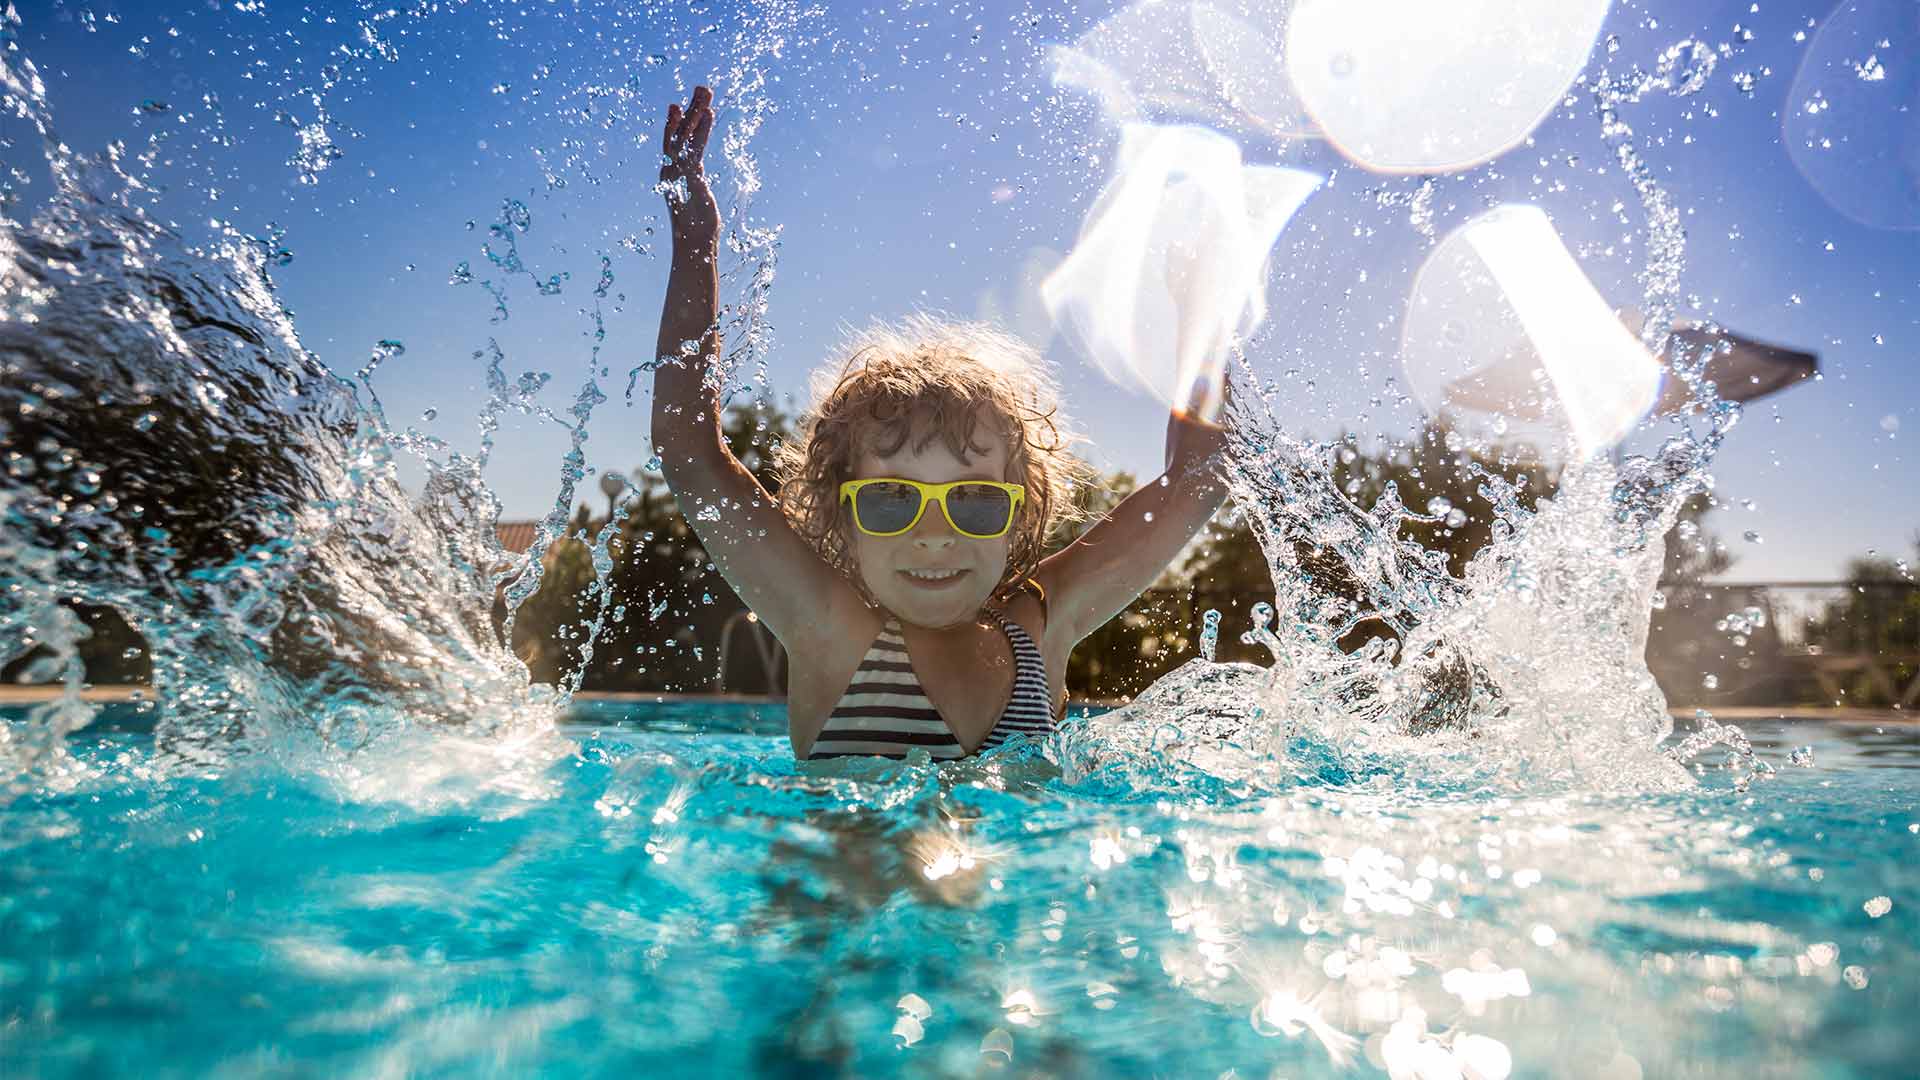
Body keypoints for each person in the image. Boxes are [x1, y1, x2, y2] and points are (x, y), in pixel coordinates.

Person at [651, 86, 1229, 761]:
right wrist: (696, 242)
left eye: (975, 502)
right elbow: (690, 455)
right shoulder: (827, 624)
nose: (933, 536)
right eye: (892, 499)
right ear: (844, 513)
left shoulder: (1041, 625)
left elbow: (1200, 480)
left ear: (1020, 514)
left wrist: (1204, 314)